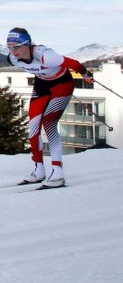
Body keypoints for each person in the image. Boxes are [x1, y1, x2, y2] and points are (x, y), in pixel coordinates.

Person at [7, 27, 93, 188]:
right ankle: (38, 169)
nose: (13, 51)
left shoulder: (47, 56)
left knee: (49, 123)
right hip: (42, 85)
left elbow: (74, 64)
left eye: (16, 46)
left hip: (62, 84)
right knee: (32, 125)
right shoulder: (13, 59)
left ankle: (57, 171)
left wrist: (86, 74)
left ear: (27, 44)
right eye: (9, 47)